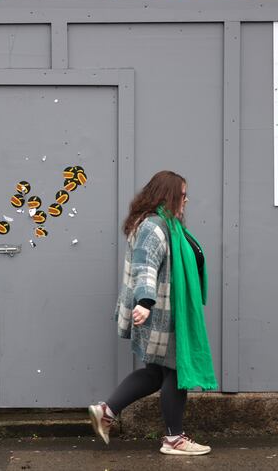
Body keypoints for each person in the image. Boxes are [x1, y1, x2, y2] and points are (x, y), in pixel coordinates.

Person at [88, 170, 216, 456]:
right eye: (182, 194)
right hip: (160, 314)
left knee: (156, 373)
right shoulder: (155, 226)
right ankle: (174, 439)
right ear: (168, 195)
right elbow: (145, 266)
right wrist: (145, 303)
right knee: (176, 370)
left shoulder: (166, 224)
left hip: (166, 312)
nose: (186, 200)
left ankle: (106, 412)